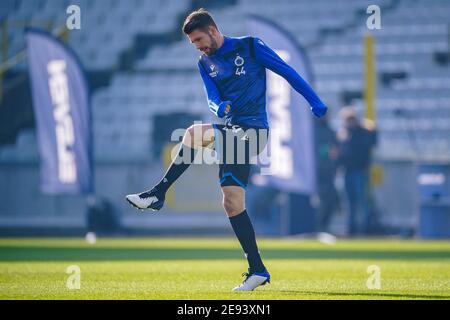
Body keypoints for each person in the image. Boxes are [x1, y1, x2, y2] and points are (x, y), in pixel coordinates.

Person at [126, 8, 328, 291]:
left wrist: (314, 101)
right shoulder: (204, 62)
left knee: (194, 133)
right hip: (234, 131)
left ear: (212, 29)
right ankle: (257, 269)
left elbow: (287, 71)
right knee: (231, 202)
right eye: (193, 43)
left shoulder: (250, 46)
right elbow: (212, 96)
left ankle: (158, 193)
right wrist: (219, 107)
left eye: (198, 39)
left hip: (254, 130)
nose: (197, 46)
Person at [337, 107, 377, 236]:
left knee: (363, 201)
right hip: (347, 172)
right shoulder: (343, 135)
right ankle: (351, 227)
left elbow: (372, 142)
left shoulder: (362, 133)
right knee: (350, 203)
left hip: (359, 171)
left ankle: (367, 227)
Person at [315, 115, 340, 233]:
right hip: (316, 172)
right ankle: (319, 226)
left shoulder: (329, 131)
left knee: (328, 199)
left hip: (326, 171)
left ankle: (323, 226)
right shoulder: (310, 130)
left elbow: (333, 150)